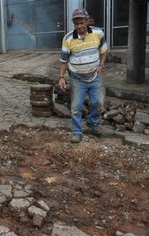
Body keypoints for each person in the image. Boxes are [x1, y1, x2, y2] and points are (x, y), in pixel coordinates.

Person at [58, 8, 108, 143]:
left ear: (87, 21)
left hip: (95, 77)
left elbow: (103, 51)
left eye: (81, 23)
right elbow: (63, 61)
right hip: (77, 79)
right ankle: (76, 132)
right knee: (76, 106)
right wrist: (61, 77)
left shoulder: (98, 33)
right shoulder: (68, 39)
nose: (79, 26)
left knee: (98, 103)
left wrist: (101, 65)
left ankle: (92, 124)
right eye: (76, 24)